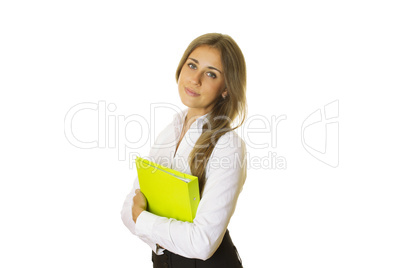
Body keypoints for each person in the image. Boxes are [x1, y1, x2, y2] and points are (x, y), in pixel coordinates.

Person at [121, 33, 247, 267]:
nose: (195, 79)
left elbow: (202, 243)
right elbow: (128, 210)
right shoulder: (170, 131)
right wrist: (150, 224)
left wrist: (145, 221)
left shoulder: (228, 145)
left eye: (211, 74)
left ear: (226, 88)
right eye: (192, 65)